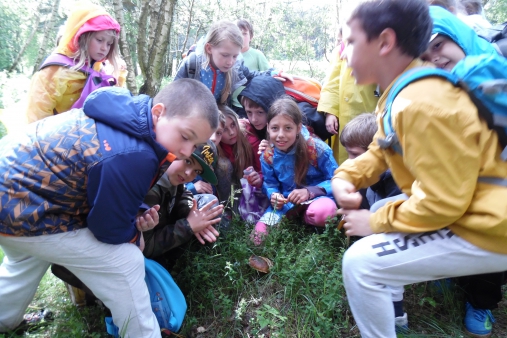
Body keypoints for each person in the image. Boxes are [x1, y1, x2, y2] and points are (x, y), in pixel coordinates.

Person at [331, 1, 507, 338]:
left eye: (351, 42)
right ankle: (394, 316)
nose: (343, 52)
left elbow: (443, 203)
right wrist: (346, 176)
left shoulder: (419, 104)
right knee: (383, 209)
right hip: (472, 211)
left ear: (384, 42)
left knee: (361, 263)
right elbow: (379, 150)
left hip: (490, 227)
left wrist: (374, 222)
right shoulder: (403, 91)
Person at [0, 78, 219, 337]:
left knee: (27, 255)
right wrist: (134, 236)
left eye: (194, 145)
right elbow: (108, 229)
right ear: (159, 113)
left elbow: (104, 175)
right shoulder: (137, 155)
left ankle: (3, 318)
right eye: (185, 137)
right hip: (22, 206)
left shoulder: (127, 116)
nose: (185, 151)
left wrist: (133, 211)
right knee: (125, 262)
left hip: (15, 195)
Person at [420, 6, 506, 336]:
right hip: (456, 174)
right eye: (426, 55)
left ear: (457, 35)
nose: (436, 58)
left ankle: (481, 301)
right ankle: (447, 269)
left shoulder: (494, 65)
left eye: (439, 45)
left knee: (489, 223)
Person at [253, 97, 338, 245]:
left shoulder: (317, 149)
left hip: (317, 199)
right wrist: (273, 195)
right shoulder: (268, 155)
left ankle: (306, 220)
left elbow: (337, 180)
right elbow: (269, 183)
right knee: (257, 240)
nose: (280, 135)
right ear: (268, 128)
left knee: (323, 212)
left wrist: (310, 192)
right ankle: (294, 218)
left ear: (298, 128)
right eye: (275, 128)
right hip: (286, 204)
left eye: (288, 128)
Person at [26, 3, 125, 123]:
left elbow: (109, 101)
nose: (104, 48)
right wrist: (48, 139)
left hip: (86, 135)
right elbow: (38, 111)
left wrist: (118, 77)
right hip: (56, 135)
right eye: (99, 40)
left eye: (109, 44)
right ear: (82, 36)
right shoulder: (56, 69)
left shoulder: (98, 67)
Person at [174, 20, 291, 111]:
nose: (230, 62)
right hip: (189, 117)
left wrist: (273, 73)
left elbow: (251, 75)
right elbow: (173, 95)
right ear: (209, 48)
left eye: (235, 56)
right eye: (225, 55)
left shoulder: (235, 68)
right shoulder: (192, 65)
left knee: (209, 143)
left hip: (215, 120)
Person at [143, 141, 224, 269]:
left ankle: (201, 260)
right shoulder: (151, 190)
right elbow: (145, 247)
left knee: (209, 202)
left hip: (168, 228)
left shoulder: (174, 177)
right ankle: (180, 267)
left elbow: (184, 192)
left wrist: (193, 214)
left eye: (196, 171)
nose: (188, 173)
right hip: (148, 255)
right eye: (188, 161)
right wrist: (189, 226)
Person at [317, 27, 378, 165]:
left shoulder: (375, 51)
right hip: (345, 115)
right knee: (346, 152)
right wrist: (330, 112)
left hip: (369, 112)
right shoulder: (340, 50)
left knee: (368, 151)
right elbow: (332, 82)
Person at [339, 113, 402, 210]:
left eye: (355, 154)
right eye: (348, 153)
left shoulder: (396, 181)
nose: (349, 160)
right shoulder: (362, 175)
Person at [238, 75, 286, 173]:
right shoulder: (247, 127)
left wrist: (276, 148)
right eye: (249, 112)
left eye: (260, 112)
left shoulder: (289, 127)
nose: (254, 119)